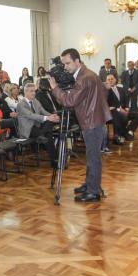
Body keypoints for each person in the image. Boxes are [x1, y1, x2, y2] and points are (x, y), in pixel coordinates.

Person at [51, 48, 111, 202]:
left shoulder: (84, 78)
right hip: (94, 119)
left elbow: (69, 101)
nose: (65, 67)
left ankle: (93, 192)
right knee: (92, 156)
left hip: (92, 122)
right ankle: (90, 184)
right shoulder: (88, 74)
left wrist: (55, 88)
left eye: (68, 63)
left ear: (77, 61)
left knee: (93, 157)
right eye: (63, 64)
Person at [16, 83, 60, 166]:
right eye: (31, 91)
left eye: (34, 91)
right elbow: (31, 115)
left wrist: (53, 116)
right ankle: (55, 160)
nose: (34, 93)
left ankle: (42, 135)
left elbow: (44, 112)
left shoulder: (35, 101)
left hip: (38, 128)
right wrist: (48, 118)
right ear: (25, 92)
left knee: (48, 127)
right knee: (49, 135)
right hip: (28, 129)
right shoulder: (21, 104)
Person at [104, 75, 138, 143]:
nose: (110, 80)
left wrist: (127, 107)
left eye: (112, 79)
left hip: (124, 110)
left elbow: (126, 99)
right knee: (122, 118)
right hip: (113, 111)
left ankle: (129, 131)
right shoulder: (105, 91)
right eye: (108, 79)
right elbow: (105, 103)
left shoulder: (121, 89)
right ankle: (119, 136)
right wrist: (119, 109)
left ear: (115, 80)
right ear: (106, 81)